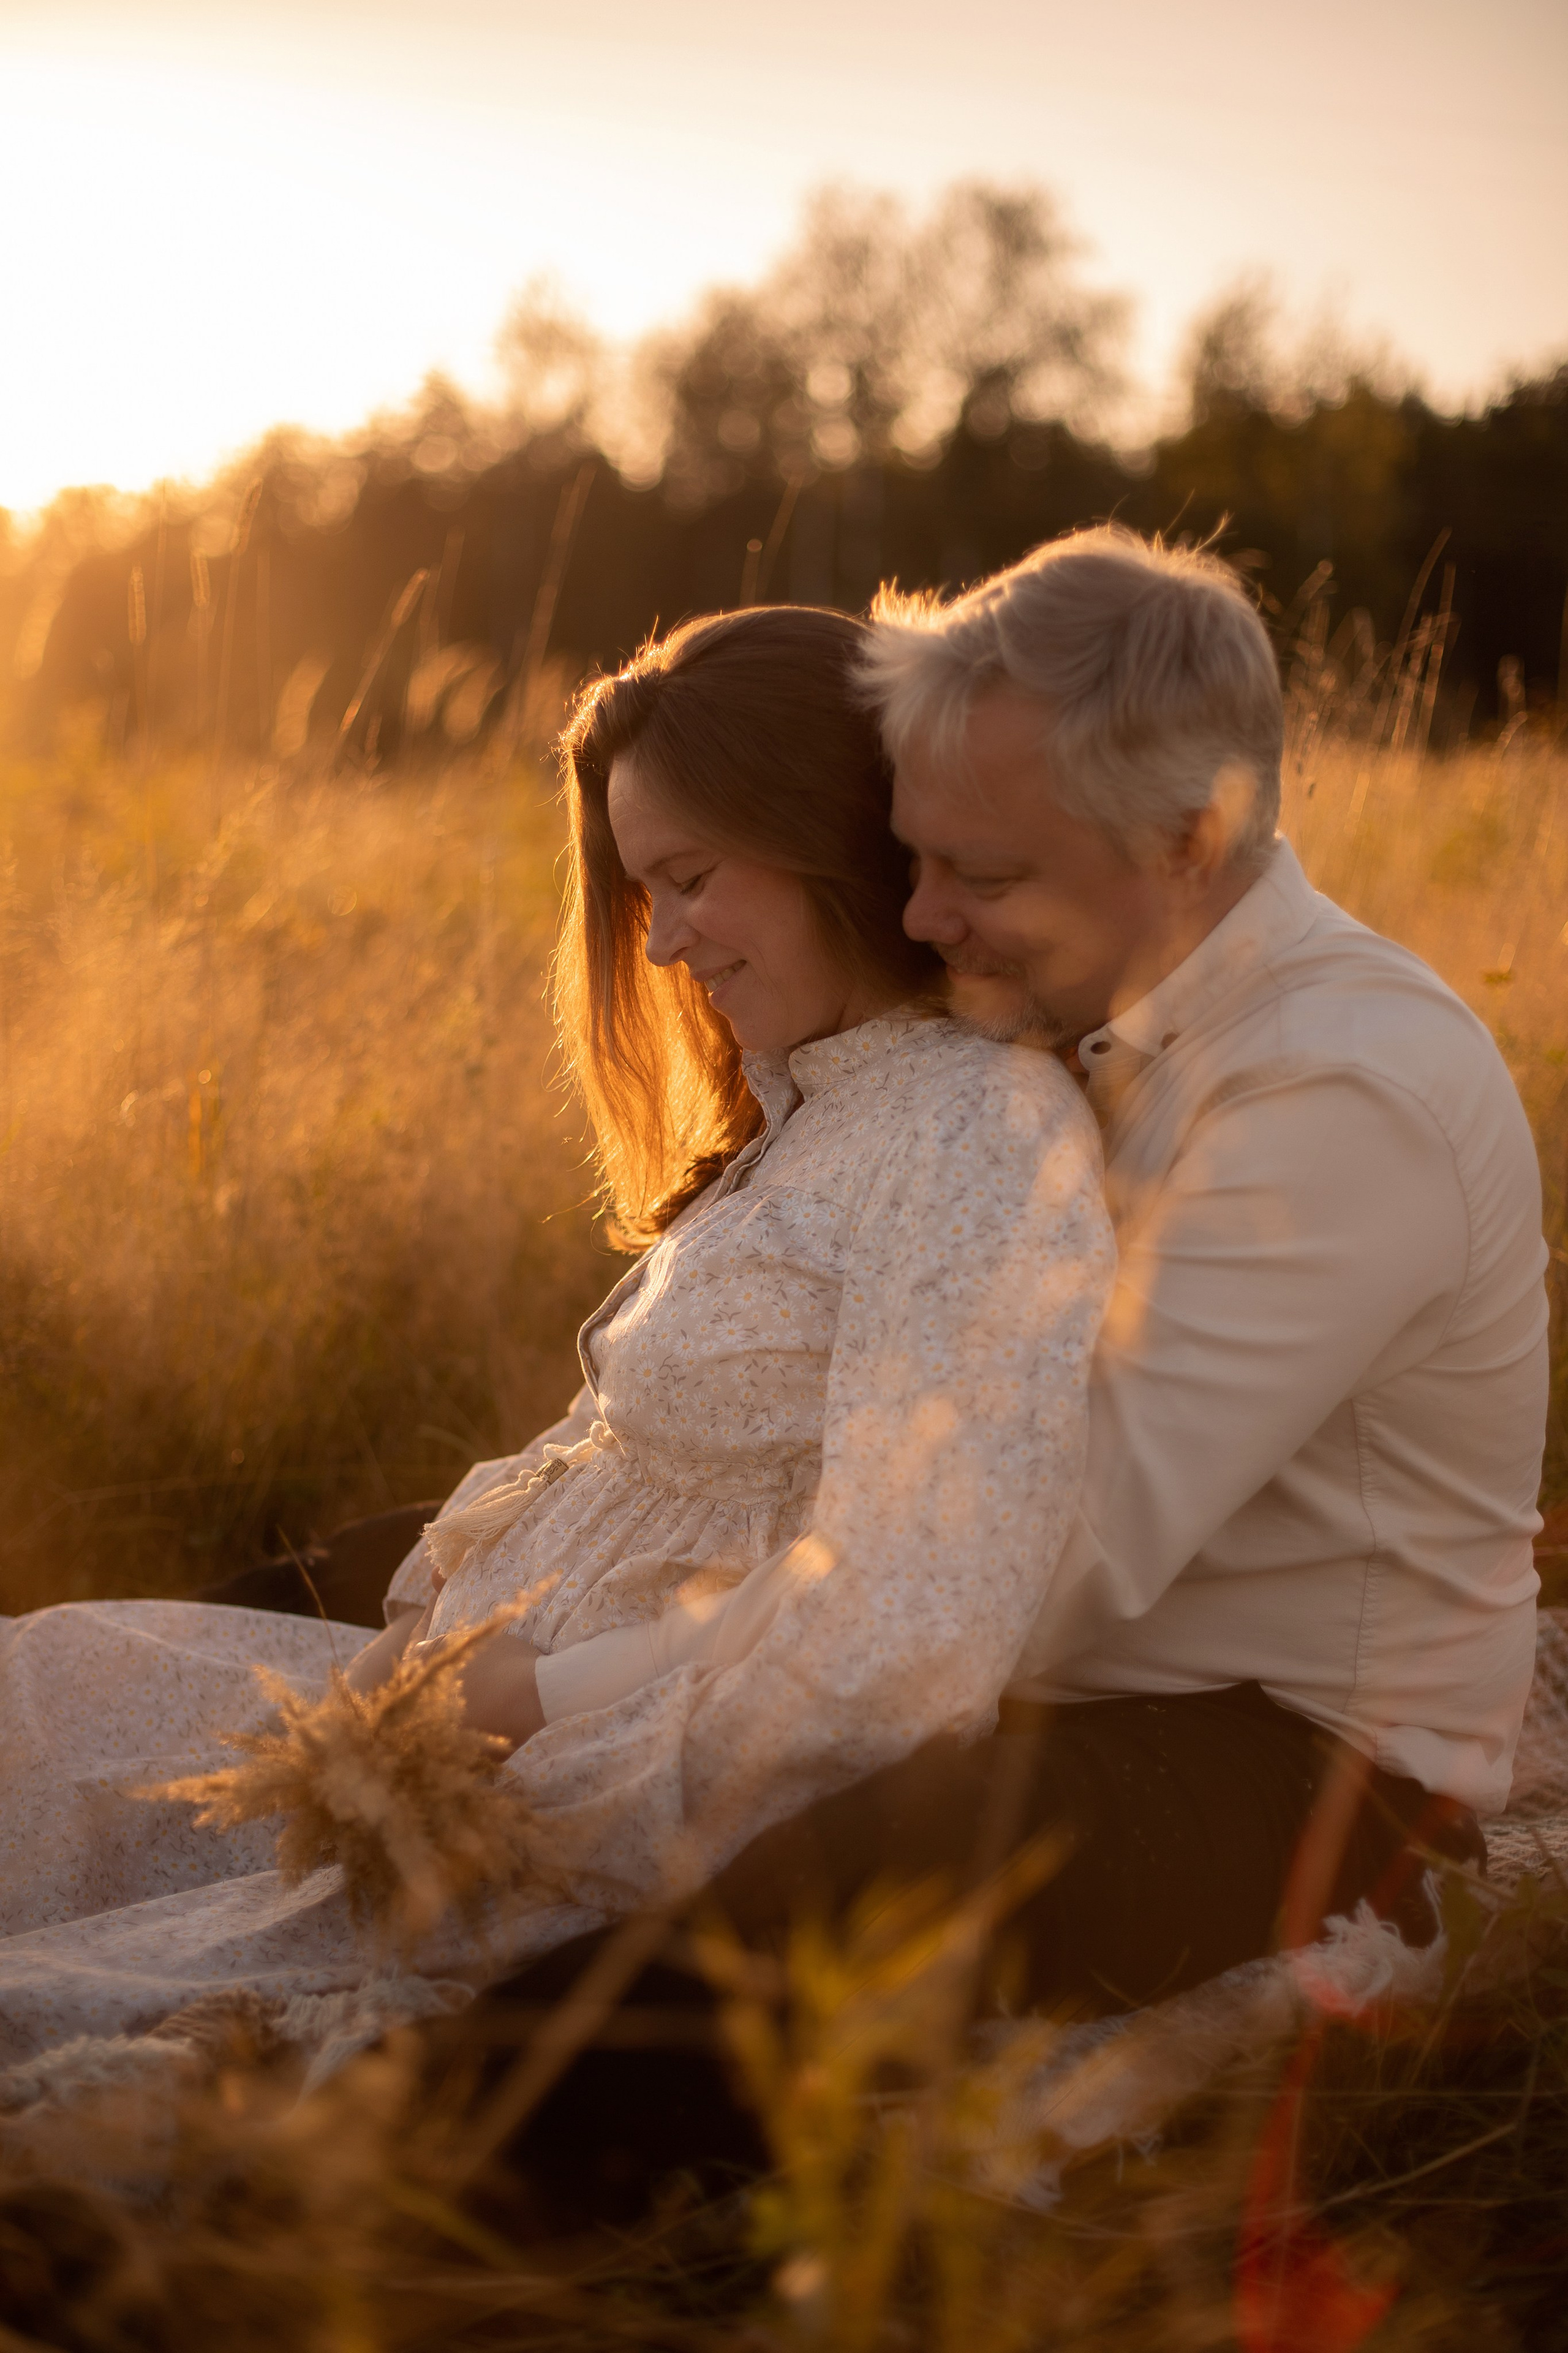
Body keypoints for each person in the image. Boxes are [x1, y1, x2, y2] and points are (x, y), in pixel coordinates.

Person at [474, 532, 1548, 2211]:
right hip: (1051, 1647)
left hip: (1281, 1756)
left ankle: (311, 2159)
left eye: (979, 872)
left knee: (796, 1905)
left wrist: (598, 1676)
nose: (918, 916)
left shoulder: (1340, 1099)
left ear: (1187, 838)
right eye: (909, 858)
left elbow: (1019, 1566)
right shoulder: (1088, 1010)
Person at [0, 605, 1111, 2071]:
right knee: (47, 1683)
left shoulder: (974, 1133)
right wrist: (430, 1638)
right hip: (471, 1705)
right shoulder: (811, 1103)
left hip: (594, 1783)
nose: (659, 946)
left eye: (690, 879)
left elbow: (904, 1628)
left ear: (827, 828)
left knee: (65, 1989)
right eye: (646, 890)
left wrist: (540, 1707)